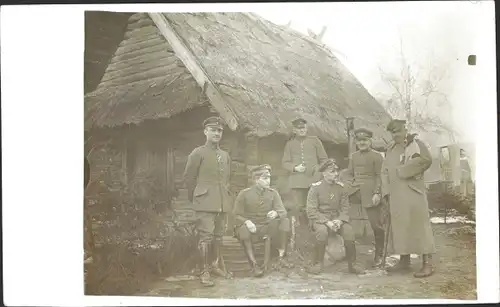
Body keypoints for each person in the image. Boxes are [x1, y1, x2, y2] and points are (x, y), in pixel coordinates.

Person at [381, 119, 436, 278]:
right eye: (392, 132)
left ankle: (427, 264)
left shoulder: (416, 144)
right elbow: (384, 171)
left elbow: (426, 160)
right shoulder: (390, 149)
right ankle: (404, 261)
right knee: (401, 228)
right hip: (396, 195)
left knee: (420, 227)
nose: (395, 135)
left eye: (398, 131)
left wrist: (403, 171)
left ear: (405, 130)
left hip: (414, 193)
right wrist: (386, 192)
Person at [183, 116, 233, 287]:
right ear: (205, 131)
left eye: (219, 130)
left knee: (218, 237)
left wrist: (224, 198)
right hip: (204, 202)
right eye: (213, 130)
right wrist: (196, 197)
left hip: (221, 202)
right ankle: (204, 271)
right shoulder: (198, 153)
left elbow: (227, 179)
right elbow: (189, 178)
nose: (217, 133)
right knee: (206, 237)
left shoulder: (225, 155)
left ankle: (215, 265)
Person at [306, 158, 364, 275]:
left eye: (336, 171)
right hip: (320, 220)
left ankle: (352, 264)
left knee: (349, 231)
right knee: (322, 232)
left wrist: (339, 220)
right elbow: (311, 210)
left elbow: (345, 208)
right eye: (332, 171)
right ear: (324, 173)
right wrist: (327, 222)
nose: (336, 174)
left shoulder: (341, 188)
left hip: (337, 219)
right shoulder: (315, 188)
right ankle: (318, 263)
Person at [232, 164, 293, 277]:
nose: (268, 181)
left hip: (266, 225)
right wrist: (247, 221)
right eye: (265, 178)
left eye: (269, 177)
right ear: (256, 180)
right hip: (250, 227)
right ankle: (254, 265)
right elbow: (235, 215)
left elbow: (283, 211)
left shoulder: (273, 193)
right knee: (244, 231)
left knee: (283, 221)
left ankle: (279, 258)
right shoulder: (244, 194)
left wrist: (275, 213)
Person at [343, 127, 385, 267]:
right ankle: (347, 253)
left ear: (370, 141)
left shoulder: (377, 156)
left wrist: (377, 193)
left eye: (365, 140)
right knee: (346, 219)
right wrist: (350, 184)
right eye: (359, 140)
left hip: (370, 193)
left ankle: (379, 254)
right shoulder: (353, 156)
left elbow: (380, 176)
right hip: (355, 192)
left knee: (376, 225)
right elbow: (349, 173)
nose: (362, 143)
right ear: (356, 142)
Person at [282, 117, 328, 228]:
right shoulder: (290, 144)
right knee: (298, 206)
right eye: (299, 128)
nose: (301, 130)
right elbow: (285, 163)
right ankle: (300, 228)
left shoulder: (315, 141)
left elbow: (324, 160)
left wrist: (317, 169)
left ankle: (315, 225)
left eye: (303, 128)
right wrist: (295, 168)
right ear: (294, 130)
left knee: (314, 204)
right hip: (297, 180)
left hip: (314, 178)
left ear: (306, 128)